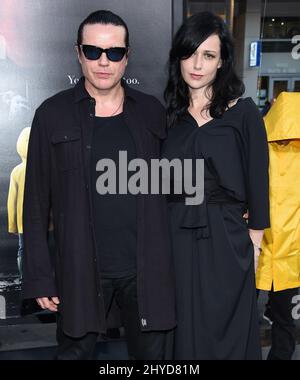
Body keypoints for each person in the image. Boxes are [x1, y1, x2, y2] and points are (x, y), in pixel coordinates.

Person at [22, 10, 175, 360]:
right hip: (79, 268)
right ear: (78, 53)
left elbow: (175, 188)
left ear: (127, 56)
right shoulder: (51, 114)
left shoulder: (153, 112)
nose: (103, 62)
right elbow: (34, 206)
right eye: (93, 51)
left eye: (114, 52)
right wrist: (41, 278)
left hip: (146, 270)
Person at [162, 12, 270, 359]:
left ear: (222, 61)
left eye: (208, 55)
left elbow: (258, 181)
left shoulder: (244, 113)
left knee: (226, 330)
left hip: (226, 239)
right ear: (178, 56)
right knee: (180, 332)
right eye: (190, 53)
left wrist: (253, 246)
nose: (197, 64)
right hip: (174, 237)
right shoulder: (168, 117)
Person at [256, 91, 300, 360]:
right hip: (286, 250)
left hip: (259, 246)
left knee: (243, 315)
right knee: (284, 320)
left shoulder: (257, 145)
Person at [7, 127, 31, 279]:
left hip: (23, 220)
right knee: (44, 249)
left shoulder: (16, 171)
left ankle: (24, 277)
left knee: (23, 249)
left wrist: (12, 225)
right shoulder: (46, 168)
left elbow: (12, 201)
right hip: (44, 220)